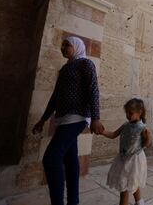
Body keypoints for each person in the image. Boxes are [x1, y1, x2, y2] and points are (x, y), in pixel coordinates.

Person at [32, 36, 104, 205]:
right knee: (70, 159)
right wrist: (43, 119)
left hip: (77, 117)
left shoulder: (86, 64)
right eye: (62, 44)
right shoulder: (65, 69)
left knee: (51, 158)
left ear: (77, 47)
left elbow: (93, 89)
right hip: (63, 119)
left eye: (67, 45)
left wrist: (95, 118)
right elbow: (55, 96)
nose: (63, 47)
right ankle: (73, 201)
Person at [102, 98, 152, 205]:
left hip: (135, 160)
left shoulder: (142, 128)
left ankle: (137, 202)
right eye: (127, 113)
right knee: (127, 183)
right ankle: (139, 202)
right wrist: (102, 132)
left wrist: (148, 137)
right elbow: (113, 134)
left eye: (131, 113)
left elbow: (147, 145)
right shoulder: (125, 125)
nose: (128, 115)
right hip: (123, 159)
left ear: (140, 112)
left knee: (128, 185)